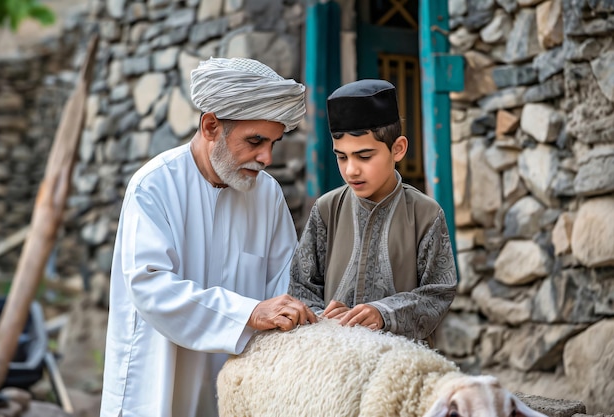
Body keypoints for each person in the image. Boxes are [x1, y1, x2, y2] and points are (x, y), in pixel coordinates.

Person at [100, 57, 317, 417]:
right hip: (159, 381)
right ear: (211, 126)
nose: (266, 157)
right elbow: (150, 286)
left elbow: (284, 288)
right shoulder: (154, 186)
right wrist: (250, 312)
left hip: (236, 387)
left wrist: (311, 314)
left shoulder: (267, 195)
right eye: (255, 141)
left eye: (273, 143)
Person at [289, 79, 457, 341]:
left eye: (364, 156)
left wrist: (383, 314)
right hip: (333, 360)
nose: (351, 170)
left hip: (400, 366)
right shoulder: (326, 209)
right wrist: (326, 318)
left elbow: (438, 293)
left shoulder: (426, 214)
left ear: (398, 149)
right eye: (342, 157)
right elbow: (301, 287)